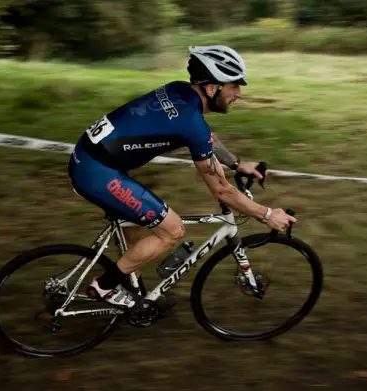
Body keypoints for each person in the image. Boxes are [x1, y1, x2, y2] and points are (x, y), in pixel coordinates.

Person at [67, 45, 296, 316]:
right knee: (172, 230)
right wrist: (267, 214)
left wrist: (236, 163)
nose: (239, 94)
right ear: (212, 88)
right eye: (234, 86)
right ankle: (104, 287)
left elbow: (205, 136)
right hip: (98, 172)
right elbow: (221, 190)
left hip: (89, 159)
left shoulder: (178, 92)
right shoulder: (190, 121)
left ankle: (132, 291)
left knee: (139, 226)